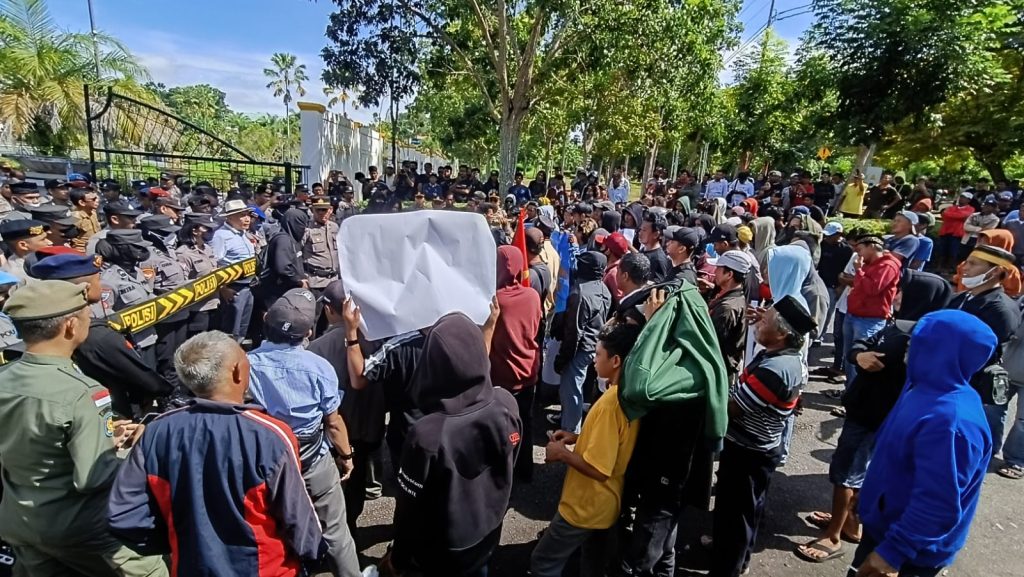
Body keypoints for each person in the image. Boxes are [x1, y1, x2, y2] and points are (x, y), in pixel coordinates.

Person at [108, 331, 326, 576]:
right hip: (267, 568)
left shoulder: (156, 433)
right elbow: (298, 516)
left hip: (191, 567)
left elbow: (125, 516)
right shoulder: (270, 435)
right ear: (237, 371)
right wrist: (314, 556)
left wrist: (177, 540)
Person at [0, 280, 168, 577]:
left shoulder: (6, 376)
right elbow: (93, 476)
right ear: (70, 326)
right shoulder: (83, 392)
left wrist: (104, 438)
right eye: (87, 315)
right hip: (80, 525)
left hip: (20, 518)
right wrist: (135, 452)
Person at [796, 271, 953, 564]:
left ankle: (832, 536)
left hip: (872, 415)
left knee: (846, 472)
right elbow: (861, 347)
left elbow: (871, 352)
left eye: (902, 291)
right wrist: (859, 356)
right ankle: (848, 521)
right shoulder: (899, 326)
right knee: (853, 471)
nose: (895, 296)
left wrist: (862, 354)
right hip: (867, 410)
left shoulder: (914, 338)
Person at [848, 310, 996, 577]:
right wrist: (867, 493)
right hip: (886, 530)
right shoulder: (920, 387)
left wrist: (892, 554)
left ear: (942, 352)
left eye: (917, 339)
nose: (907, 344)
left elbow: (938, 504)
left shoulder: (951, 421)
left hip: (909, 555)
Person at [381, 313, 521, 577]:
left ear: (432, 366)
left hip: (440, 551)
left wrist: (397, 559)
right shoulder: (506, 404)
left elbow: (408, 511)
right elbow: (509, 463)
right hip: (488, 533)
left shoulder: (427, 436)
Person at [246, 288, 362, 577]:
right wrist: (346, 456)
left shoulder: (245, 365)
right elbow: (333, 423)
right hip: (313, 461)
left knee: (280, 529)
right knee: (336, 531)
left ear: (264, 319)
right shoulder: (318, 367)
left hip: (268, 466)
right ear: (309, 331)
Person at [711, 295, 816, 577]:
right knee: (746, 509)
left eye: (765, 319)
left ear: (782, 333)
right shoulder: (784, 356)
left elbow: (732, 409)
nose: (758, 321)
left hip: (749, 450)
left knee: (737, 514)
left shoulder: (775, 370)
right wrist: (764, 321)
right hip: (757, 446)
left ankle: (727, 567)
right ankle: (737, 557)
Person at [531, 322, 642, 577]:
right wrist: (576, 436)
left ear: (615, 361)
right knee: (592, 563)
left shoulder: (609, 405)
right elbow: (612, 443)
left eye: (598, 354)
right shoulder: (626, 394)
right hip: (606, 504)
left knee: (543, 562)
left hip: (585, 505)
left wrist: (562, 453)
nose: (593, 359)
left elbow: (600, 469)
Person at [30, 251, 176, 417]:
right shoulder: (95, 335)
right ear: (86, 289)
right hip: (111, 416)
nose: (102, 284)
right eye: (98, 280)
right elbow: (144, 378)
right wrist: (165, 390)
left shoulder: (43, 323)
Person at [947, 245, 1022, 454]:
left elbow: (983, 353)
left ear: (995, 271)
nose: (965, 267)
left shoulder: (1000, 309)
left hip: (967, 384)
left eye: (973, 263)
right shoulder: (961, 297)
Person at [490, 245, 542, 481]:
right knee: (525, 422)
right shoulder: (532, 296)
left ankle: (502, 474)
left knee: (500, 427)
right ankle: (525, 470)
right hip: (528, 369)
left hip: (502, 374)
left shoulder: (495, 300)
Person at [556, 251, 612, 434]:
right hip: (595, 346)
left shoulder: (580, 292)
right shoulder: (603, 288)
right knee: (576, 388)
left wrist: (563, 359)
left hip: (579, 349)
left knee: (571, 390)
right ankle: (569, 420)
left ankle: (570, 431)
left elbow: (574, 332)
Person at [842, 236, 901, 385]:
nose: (858, 254)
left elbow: (872, 289)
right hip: (854, 315)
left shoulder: (888, 265)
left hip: (870, 320)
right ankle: (849, 392)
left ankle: (857, 398)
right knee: (850, 357)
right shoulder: (869, 263)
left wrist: (859, 270)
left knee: (862, 360)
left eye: (860, 250)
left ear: (872, 247)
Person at [139, 216, 190, 388]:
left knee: (179, 352)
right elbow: (149, 289)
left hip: (182, 308)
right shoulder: (148, 257)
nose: (170, 236)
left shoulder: (169, 250)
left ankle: (179, 386)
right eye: (164, 233)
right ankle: (169, 393)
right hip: (165, 315)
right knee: (166, 357)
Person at [176, 214, 220, 336]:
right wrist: (204, 281)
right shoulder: (183, 253)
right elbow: (180, 284)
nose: (210, 231)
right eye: (206, 228)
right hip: (197, 309)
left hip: (214, 303)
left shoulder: (207, 249)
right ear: (194, 230)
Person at [710, 251, 751, 383]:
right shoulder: (733, 299)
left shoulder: (727, 308)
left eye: (718, 269)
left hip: (720, 372)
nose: (714, 272)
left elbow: (711, 341)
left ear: (729, 274)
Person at [936, 191, 975, 271]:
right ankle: (939, 267)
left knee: (953, 252)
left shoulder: (970, 209)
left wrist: (952, 215)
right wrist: (957, 217)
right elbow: (944, 214)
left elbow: (964, 216)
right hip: (945, 231)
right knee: (941, 250)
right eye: (961, 197)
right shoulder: (951, 207)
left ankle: (950, 268)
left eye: (964, 198)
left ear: (968, 200)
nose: (961, 199)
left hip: (957, 233)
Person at [960, 196, 1000, 262]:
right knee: (962, 256)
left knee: (973, 259)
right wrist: (979, 229)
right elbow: (966, 226)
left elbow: (987, 230)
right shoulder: (974, 215)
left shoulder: (995, 219)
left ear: (993, 208)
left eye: (989, 206)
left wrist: (973, 228)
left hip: (979, 241)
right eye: (985, 205)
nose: (986, 207)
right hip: (967, 238)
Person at [638, 212, 670, 282]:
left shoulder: (658, 259)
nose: (640, 233)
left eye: (644, 230)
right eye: (640, 229)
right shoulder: (644, 249)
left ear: (656, 234)